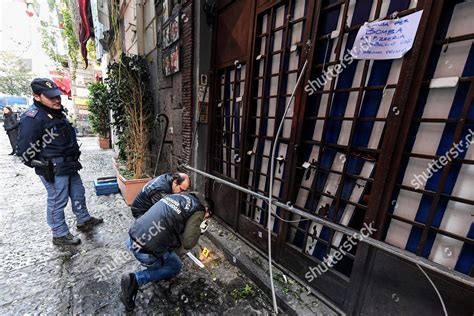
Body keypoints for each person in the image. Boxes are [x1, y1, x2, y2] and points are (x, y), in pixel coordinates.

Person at [16, 78, 103, 246]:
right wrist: (43, 165)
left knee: (78, 193)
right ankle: (59, 233)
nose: (57, 100)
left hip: (69, 164)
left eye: (58, 96)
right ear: (37, 96)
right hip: (53, 168)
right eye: (51, 97)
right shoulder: (32, 117)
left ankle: (83, 219)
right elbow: (24, 151)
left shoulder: (57, 112)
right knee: (58, 200)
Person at [121, 192, 212, 311]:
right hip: (145, 251)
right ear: (206, 210)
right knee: (175, 266)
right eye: (207, 216)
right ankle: (136, 279)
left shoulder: (180, 197)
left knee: (171, 254)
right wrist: (198, 231)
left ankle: (154, 266)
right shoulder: (199, 210)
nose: (205, 218)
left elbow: (172, 224)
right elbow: (188, 243)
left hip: (132, 238)